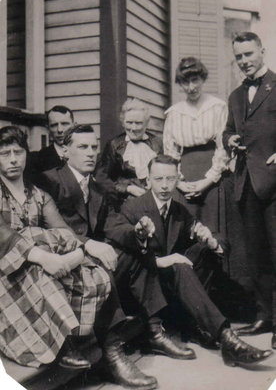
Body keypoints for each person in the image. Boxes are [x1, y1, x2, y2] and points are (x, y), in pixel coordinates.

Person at [0, 125, 159, 390]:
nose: (13, 159)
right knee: (39, 267)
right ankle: (65, 344)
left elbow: (63, 231)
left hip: (42, 263)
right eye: (5, 153)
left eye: (18, 152)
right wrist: (42, 256)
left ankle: (110, 350)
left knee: (92, 269)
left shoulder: (37, 194)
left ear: (26, 155)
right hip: (7, 271)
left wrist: (76, 254)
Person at [39, 125, 194, 367]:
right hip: (61, 261)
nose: (91, 153)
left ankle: (154, 330)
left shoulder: (98, 187)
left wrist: (137, 232)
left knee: (135, 252)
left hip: (90, 258)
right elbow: (49, 227)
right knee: (103, 261)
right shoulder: (50, 180)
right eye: (82, 147)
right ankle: (112, 352)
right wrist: (89, 244)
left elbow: (113, 223)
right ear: (66, 151)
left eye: (94, 147)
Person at [104, 154, 272, 367]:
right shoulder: (133, 207)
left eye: (170, 179)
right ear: (148, 180)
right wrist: (159, 259)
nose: (165, 185)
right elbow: (120, 241)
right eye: (158, 179)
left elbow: (215, 237)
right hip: (139, 288)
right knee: (180, 265)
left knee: (201, 252)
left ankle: (217, 335)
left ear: (177, 179)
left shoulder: (178, 210)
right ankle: (226, 339)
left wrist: (210, 240)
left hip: (167, 285)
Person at [223, 32, 276, 347]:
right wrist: (227, 138)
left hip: (274, 183)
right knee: (256, 256)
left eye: (248, 54)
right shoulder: (235, 96)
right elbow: (229, 128)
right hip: (246, 183)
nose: (244, 61)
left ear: (262, 51)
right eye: (239, 56)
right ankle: (264, 315)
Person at [163, 57, 229, 235]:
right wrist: (180, 183)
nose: (191, 87)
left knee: (213, 229)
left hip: (213, 176)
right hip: (185, 177)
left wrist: (207, 181)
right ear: (180, 84)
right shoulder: (174, 113)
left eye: (195, 80)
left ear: (203, 79)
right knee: (187, 229)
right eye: (185, 82)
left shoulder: (217, 107)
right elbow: (170, 153)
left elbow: (223, 148)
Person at [95, 98, 163, 210]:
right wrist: (127, 188)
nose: (133, 128)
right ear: (123, 122)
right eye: (129, 123)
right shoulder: (114, 145)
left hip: (154, 201)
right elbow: (102, 178)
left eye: (138, 123)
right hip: (124, 204)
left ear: (146, 123)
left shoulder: (157, 143)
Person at [28, 105, 75, 185]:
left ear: (74, 126)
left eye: (64, 124)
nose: (60, 130)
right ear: (48, 128)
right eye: (54, 125)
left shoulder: (84, 155)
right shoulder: (38, 160)